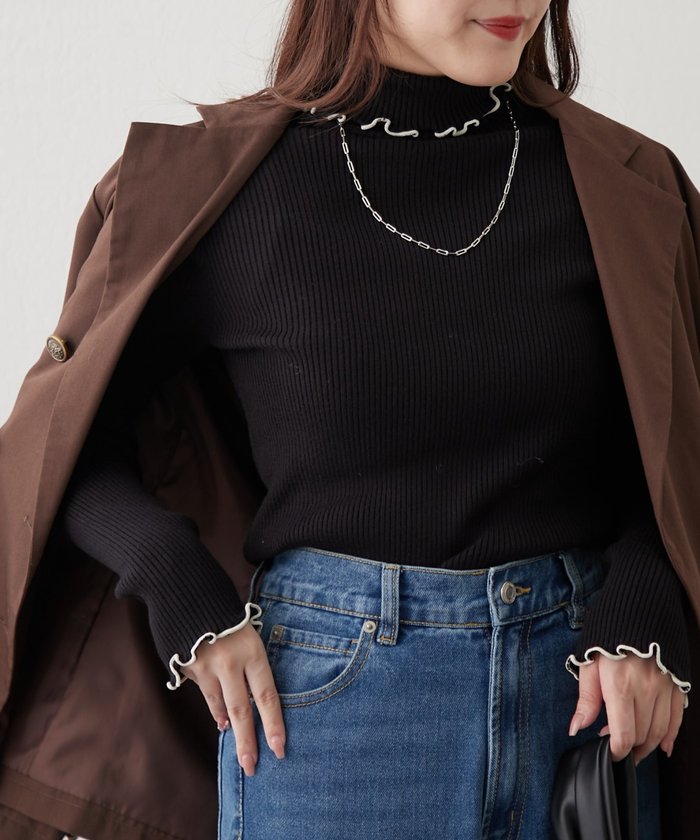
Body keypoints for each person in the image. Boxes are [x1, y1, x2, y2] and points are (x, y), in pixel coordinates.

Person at [30, 1, 694, 839]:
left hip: (588, 719)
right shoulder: (217, 190)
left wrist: (645, 604)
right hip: (332, 724)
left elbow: (677, 446)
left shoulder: (627, 186)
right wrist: (177, 584)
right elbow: (62, 441)